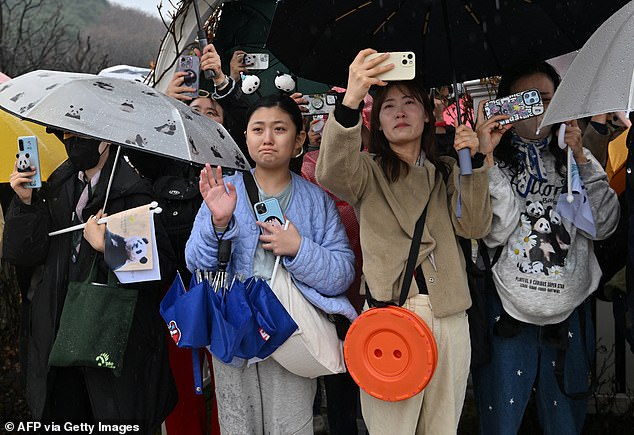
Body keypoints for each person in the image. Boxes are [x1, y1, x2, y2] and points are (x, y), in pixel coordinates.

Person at [316, 48, 492, 434]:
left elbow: (475, 226)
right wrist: (350, 100)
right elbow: (330, 172)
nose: (399, 111)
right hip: (393, 316)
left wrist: (475, 163)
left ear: (428, 114)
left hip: (450, 313)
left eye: (409, 102)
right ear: (375, 122)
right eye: (387, 105)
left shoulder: (447, 170)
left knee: (442, 427)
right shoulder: (367, 171)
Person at [185, 93, 356, 434]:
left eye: (279, 129)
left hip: (290, 332)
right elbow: (196, 263)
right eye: (257, 129)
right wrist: (219, 225)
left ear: (299, 140)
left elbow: (342, 273)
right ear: (245, 137)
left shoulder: (316, 200)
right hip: (233, 331)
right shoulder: (225, 191)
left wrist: (299, 249)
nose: (267, 138)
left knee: (290, 426)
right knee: (238, 424)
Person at [472, 61, 620, 435]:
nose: (538, 109)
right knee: (501, 423)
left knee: (565, 423)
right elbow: (493, 231)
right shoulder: (492, 159)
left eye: (547, 100)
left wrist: (582, 158)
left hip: (567, 311)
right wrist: (486, 159)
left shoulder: (575, 158)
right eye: (527, 100)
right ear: (507, 104)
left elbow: (603, 225)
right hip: (506, 311)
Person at [2, 134, 177, 433]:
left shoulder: (131, 190)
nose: (72, 142)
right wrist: (26, 203)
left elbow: (158, 274)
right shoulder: (58, 186)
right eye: (66, 134)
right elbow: (23, 255)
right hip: (57, 340)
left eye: (81, 136)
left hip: (111, 347)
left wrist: (109, 245)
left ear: (105, 139)